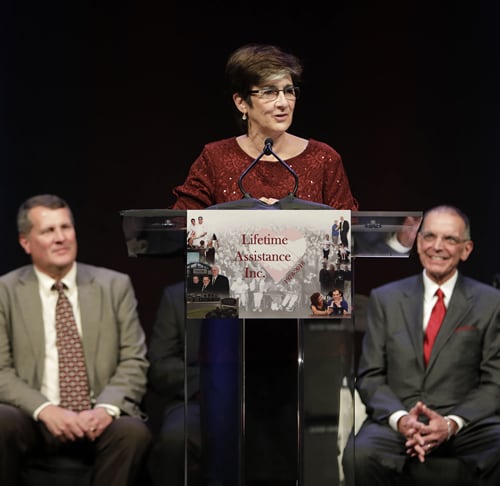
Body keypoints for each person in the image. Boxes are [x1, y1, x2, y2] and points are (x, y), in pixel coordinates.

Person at [342, 205, 500, 485]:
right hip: (400, 419)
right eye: (429, 236)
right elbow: (371, 376)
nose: (437, 247)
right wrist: (402, 420)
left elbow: (495, 381)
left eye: (449, 239)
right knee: (360, 454)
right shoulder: (386, 299)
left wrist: (451, 423)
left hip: (466, 423)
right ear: (417, 243)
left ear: (466, 249)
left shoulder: (490, 303)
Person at [0, 194, 152, 486]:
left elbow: (134, 359)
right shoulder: (5, 291)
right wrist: (46, 409)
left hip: (98, 417)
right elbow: (2, 370)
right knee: (2, 420)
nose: (60, 238)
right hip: (34, 419)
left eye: (65, 227)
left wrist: (105, 410)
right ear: (25, 242)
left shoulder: (114, 285)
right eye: (48, 231)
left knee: (133, 431)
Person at [171, 43, 359, 211]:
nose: (283, 103)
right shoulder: (214, 159)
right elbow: (180, 228)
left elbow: (350, 235)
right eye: (269, 92)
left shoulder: (324, 159)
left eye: (288, 91)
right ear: (241, 102)